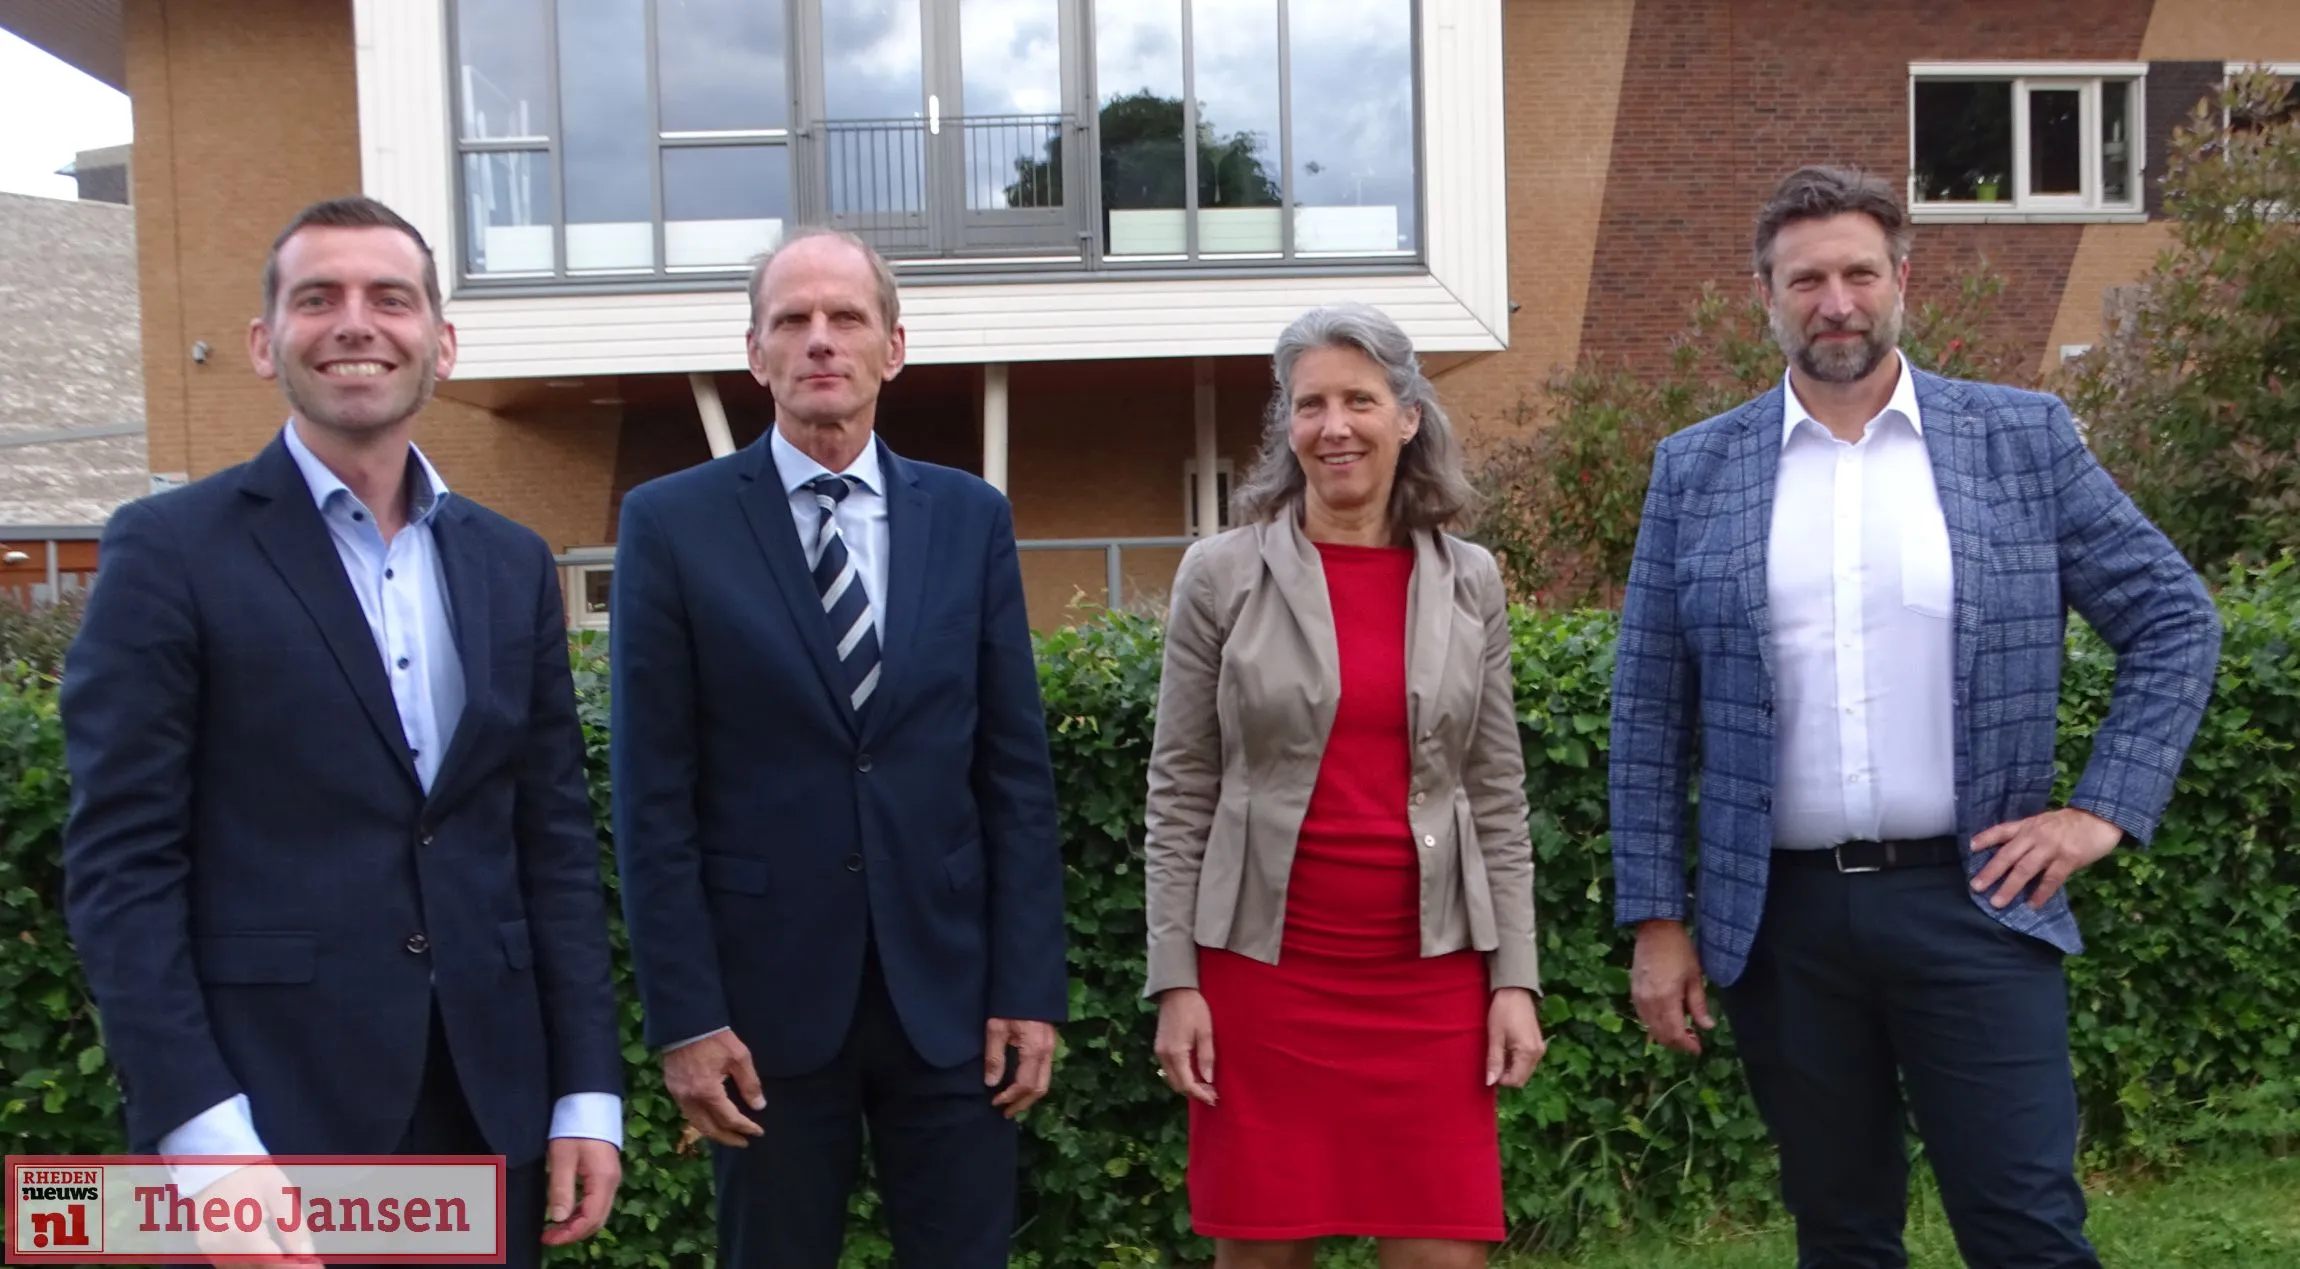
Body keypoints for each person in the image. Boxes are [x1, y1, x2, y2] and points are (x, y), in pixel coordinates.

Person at [1609, 165, 2224, 1268]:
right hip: (1781, 925)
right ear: (1764, 295)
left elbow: (2173, 617)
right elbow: (1650, 707)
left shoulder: (2017, 439)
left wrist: (2100, 811)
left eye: (1856, 273)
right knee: (1839, 1236)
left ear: (1900, 279)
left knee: (2026, 1230)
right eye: (1805, 280)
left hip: (1974, 904)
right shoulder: (1695, 470)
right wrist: (1658, 921)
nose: (1833, 302)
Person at [58, 196, 625, 1268]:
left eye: (390, 298)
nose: (355, 323)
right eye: (318, 298)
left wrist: (586, 1091)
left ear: (440, 343)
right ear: (270, 341)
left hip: (487, 1106)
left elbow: (549, 845)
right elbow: (121, 865)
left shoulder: (510, 562)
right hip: (267, 1121)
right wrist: (199, 1127)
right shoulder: (167, 551)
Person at [610, 226, 1069, 1269]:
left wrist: (1028, 988)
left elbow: (1012, 776)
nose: (820, 341)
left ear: (891, 349)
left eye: (845, 318)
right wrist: (685, 1018)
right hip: (760, 1014)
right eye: (792, 321)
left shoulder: (969, 517)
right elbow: (651, 796)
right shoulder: (670, 526)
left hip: (950, 1003)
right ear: (755, 352)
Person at [1142, 303, 1546, 1269]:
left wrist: (1516, 978)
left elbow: (1495, 792)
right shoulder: (1220, 576)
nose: (1335, 426)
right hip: (1262, 976)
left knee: (1443, 1253)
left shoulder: (1470, 581)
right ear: (1287, 424)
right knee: (1263, 1253)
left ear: (1408, 415)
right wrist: (1176, 981)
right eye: (1310, 403)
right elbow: (1181, 787)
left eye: (1360, 400)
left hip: (1432, 976)